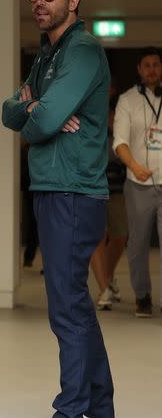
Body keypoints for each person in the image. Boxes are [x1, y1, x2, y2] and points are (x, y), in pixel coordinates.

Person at [2, 0, 113, 418]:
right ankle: (99, 407)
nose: (40, 2)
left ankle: (71, 410)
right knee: (75, 307)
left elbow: (38, 120)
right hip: (52, 188)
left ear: (73, 1)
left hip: (73, 191)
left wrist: (37, 112)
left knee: (66, 309)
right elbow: (12, 112)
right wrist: (34, 111)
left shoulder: (82, 50)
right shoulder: (47, 54)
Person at [112, 47, 162, 318]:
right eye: (147, 65)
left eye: (156, 64)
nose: (152, 69)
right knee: (138, 245)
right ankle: (142, 296)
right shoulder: (128, 100)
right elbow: (119, 141)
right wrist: (133, 166)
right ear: (139, 70)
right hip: (139, 184)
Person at [91, 86, 127, 311]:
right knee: (96, 237)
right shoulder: (88, 111)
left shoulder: (121, 111)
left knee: (120, 234)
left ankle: (108, 276)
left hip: (117, 186)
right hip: (91, 185)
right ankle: (103, 287)